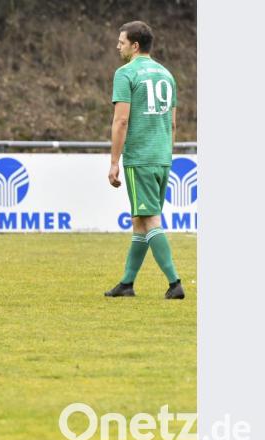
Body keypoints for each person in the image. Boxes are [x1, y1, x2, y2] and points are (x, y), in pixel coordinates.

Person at [104, 21, 185, 299]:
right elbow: (173, 124)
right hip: (162, 157)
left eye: (122, 41)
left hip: (140, 158)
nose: (118, 45)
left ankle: (175, 283)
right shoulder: (167, 75)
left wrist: (115, 161)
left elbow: (122, 119)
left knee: (149, 219)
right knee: (140, 219)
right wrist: (165, 153)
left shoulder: (125, 74)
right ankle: (127, 284)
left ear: (135, 45)